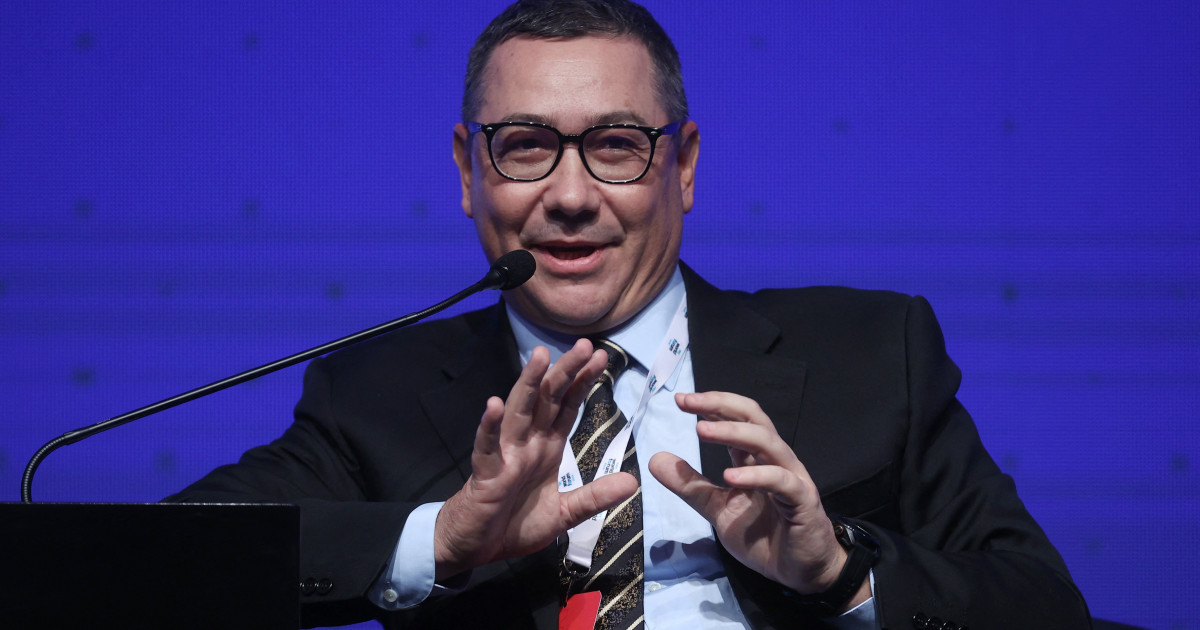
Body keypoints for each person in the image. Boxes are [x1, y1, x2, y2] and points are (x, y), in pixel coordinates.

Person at [169, 1, 1092, 628]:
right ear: (468, 172)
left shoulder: (871, 352)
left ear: (682, 167)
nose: (571, 197)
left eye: (616, 146)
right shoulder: (375, 394)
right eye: (525, 146)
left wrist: (841, 571)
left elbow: (1045, 605)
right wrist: (439, 541)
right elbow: (163, 562)